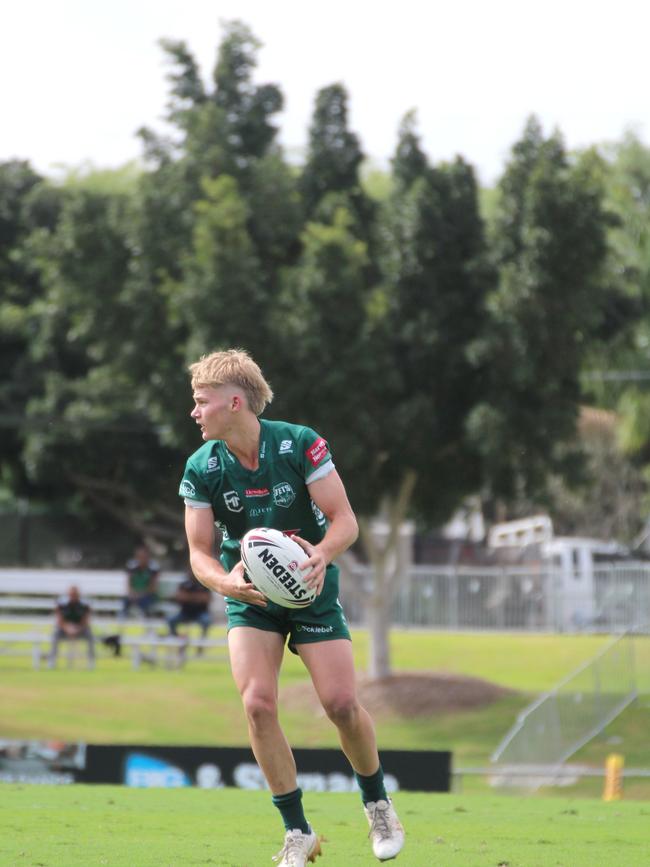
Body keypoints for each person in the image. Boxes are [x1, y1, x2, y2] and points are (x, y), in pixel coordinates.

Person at [179, 349, 404, 866]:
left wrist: (321, 555)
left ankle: (377, 803)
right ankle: (297, 831)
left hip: (309, 586)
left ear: (234, 402)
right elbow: (198, 553)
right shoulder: (202, 467)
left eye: (200, 401)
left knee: (341, 704)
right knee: (257, 703)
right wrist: (226, 584)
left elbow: (344, 520)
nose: (194, 412)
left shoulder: (299, 444)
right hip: (251, 595)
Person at [48, 585, 95, 669]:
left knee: (90, 635)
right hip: (64, 629)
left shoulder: (84, 605)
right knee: (55, 634)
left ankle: (91, 661)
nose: (73, 596)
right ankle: (52, 661)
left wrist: (77, 629)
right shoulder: (61, 604)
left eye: (75, 594)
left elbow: (86, 621)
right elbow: (59, 621)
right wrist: (67, 628)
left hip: (80, 629)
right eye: (71, 594)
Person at [167, 572, 213, 640]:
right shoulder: (184, 584)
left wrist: (189, 597)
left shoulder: (204, 584)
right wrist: (197, 597)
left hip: (200, 613)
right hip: (185, 613)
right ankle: (178, 638)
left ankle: (201, 642)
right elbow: (180, 597)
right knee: (171, 620)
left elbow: (206, 598)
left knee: (206, 621)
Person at [122, 544, 160, 619]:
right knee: (125, 601)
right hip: (134, 594)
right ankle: (123, 621)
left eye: (143, 557)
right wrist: (132, 593)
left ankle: (146, 620)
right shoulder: (132, 567)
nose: (141, 559)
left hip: (147, 595)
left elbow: (153, 587)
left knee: (145, 602)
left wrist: (140, 594)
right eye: (139, 557)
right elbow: (129, 584)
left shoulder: (153, 569)